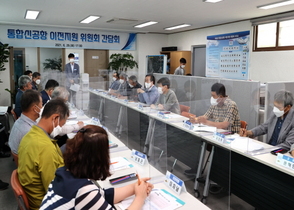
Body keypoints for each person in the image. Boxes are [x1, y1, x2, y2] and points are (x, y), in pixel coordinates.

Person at [40, 125, 153, 210]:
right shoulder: (84, 191)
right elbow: (92, 196)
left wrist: (135, 187)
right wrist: (140, 198)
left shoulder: (64, 172)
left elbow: (102, 195)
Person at [18, 99, 69, 210]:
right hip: (44, 204)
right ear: (55, 118)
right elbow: (56, 191)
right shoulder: (45, 148)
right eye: (62, 124)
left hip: (35, 196)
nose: (60, 129)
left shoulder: (30, 135)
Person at [8, 90, 42, 154]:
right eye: (41, 104)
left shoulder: (20, 121)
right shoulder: (29, 132)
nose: (42, 107)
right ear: (35, 108)